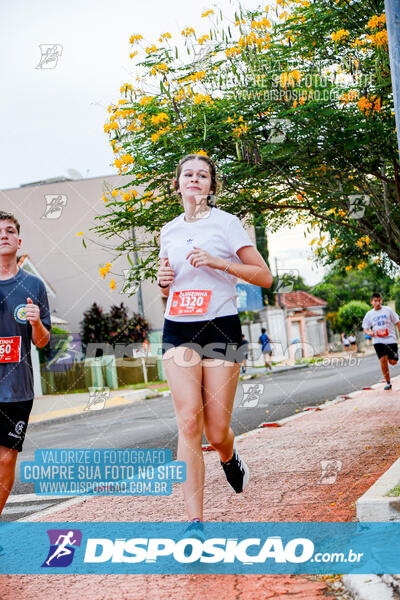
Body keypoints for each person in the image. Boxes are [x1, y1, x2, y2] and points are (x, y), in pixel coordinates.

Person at [157, 154, 273, 531]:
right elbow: (168, 291)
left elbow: (263, 277)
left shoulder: (227, 224)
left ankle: (228, 456)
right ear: (178, 184)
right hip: (178, 328)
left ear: (211, 185)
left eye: (202, 175)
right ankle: (194, 522)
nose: (194, 180)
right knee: (188, 418)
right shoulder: (168, 231)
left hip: (221, 326)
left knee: (216, 431)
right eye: (188, 174)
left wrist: (218, 263)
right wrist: (162, 283)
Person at [0, 211, 51, 514]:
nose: (3, 235)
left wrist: (36, 324)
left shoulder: (34, 286)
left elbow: (43, 342)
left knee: (6, 459)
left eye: (9, 231)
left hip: (17, 388)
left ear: (19, 241)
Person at [362, 292, 400, 391]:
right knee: (382, 360)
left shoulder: (388, 310)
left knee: (393, 362)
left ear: (381, 301)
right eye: (375, 301)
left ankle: (388, 358)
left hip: (391, 339)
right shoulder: (369, 314)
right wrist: (369, 333)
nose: (378, 303)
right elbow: (365, 328)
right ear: (371, 302)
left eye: (379, 300)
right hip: (378, 341)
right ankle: (388, 382)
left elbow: (397, 322)